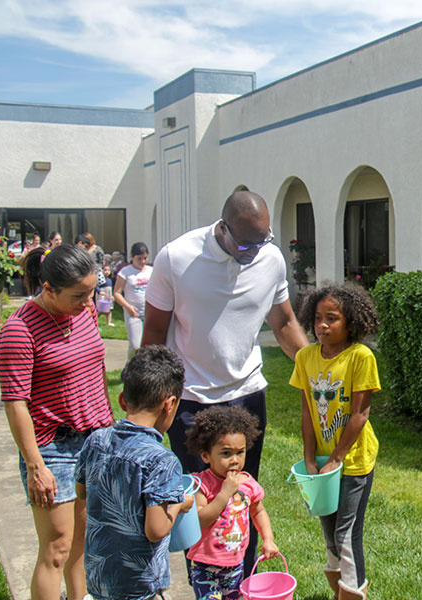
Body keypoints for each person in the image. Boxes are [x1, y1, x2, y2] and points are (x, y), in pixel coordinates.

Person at [142, 189, 309, 565]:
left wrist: (317, 371)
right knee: (200, 510)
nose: (254, 251)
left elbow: (283, 322)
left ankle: (244, 582)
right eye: (246, 243)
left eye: (262, 241)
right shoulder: (177, 258)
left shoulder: (270, 258)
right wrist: (149, 408)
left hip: (248, 396)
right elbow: (153, 334)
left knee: (242, 499)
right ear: (223, 227)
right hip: (191, 400)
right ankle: (208, 585)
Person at [0, 244, 114, 600]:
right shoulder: (18, 330)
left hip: (95, 440)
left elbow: (95, 371)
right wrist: (35, 466)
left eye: (91, 292)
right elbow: (15, 404)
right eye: (78, 295)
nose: (88, 301)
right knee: (56, 550)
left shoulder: (85, 311)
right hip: (54, 450)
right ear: (48, 289)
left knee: (83, 544)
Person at [74, 345, 195, 600]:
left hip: (99, 577)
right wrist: (179, 505)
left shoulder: (96, 440)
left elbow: (81, 490)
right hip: (138, 585)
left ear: (121, 400)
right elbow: (157, 529)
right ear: (170, 405)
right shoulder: (162, 461)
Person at [289, 283, 381, 600]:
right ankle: (338, 591)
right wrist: (310, 458)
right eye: (317, 318)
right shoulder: (305, 357)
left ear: (351, 323)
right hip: (323, 464)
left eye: (332, 318)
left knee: (345, 533)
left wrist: (337, 458)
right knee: (328, 531)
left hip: (354, 461)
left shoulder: (360, 357)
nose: (323, 325)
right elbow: (307, 412)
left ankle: (353, 592)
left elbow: (360, 415)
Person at [184, 406, 280, 600]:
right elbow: (200, 519)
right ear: (205, 456)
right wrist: (224, 493)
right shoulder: (203, 484)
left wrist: (268, 539)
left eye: (240, 452)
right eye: (226, 454)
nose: (234, 460)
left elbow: (258, 512)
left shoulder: (248, 484)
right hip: (204, 566)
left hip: (235, 565)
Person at [114, 242, 152, 355]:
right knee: (135, 345)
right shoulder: (125, 272)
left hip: (149, 313)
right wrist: (128, 307)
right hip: (133, 313)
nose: (143, 261)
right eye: (139, 258)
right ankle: (129, 366)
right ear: (132, 257)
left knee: (150, 346)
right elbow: (117, 293)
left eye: (145, 258)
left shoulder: (151, 271)